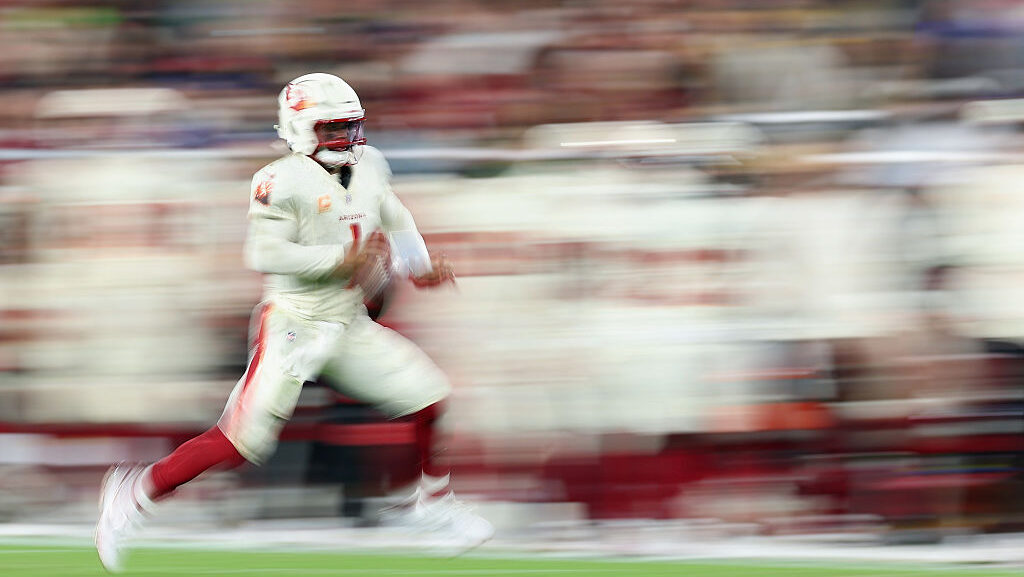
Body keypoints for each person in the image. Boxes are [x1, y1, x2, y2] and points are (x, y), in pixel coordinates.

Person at [95, 73, 493, 573]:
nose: (347, 140)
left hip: (346, 320)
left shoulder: (369, 165)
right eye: (333, 130)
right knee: (242, 441)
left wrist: (419, 266)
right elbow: (262, 250)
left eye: (351, 128)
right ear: (300, 129)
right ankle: (134, 493)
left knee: (429, 395)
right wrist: (339, 260)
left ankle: (428, 504)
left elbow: (394, 215)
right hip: (294, 320)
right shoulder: (278, 179)